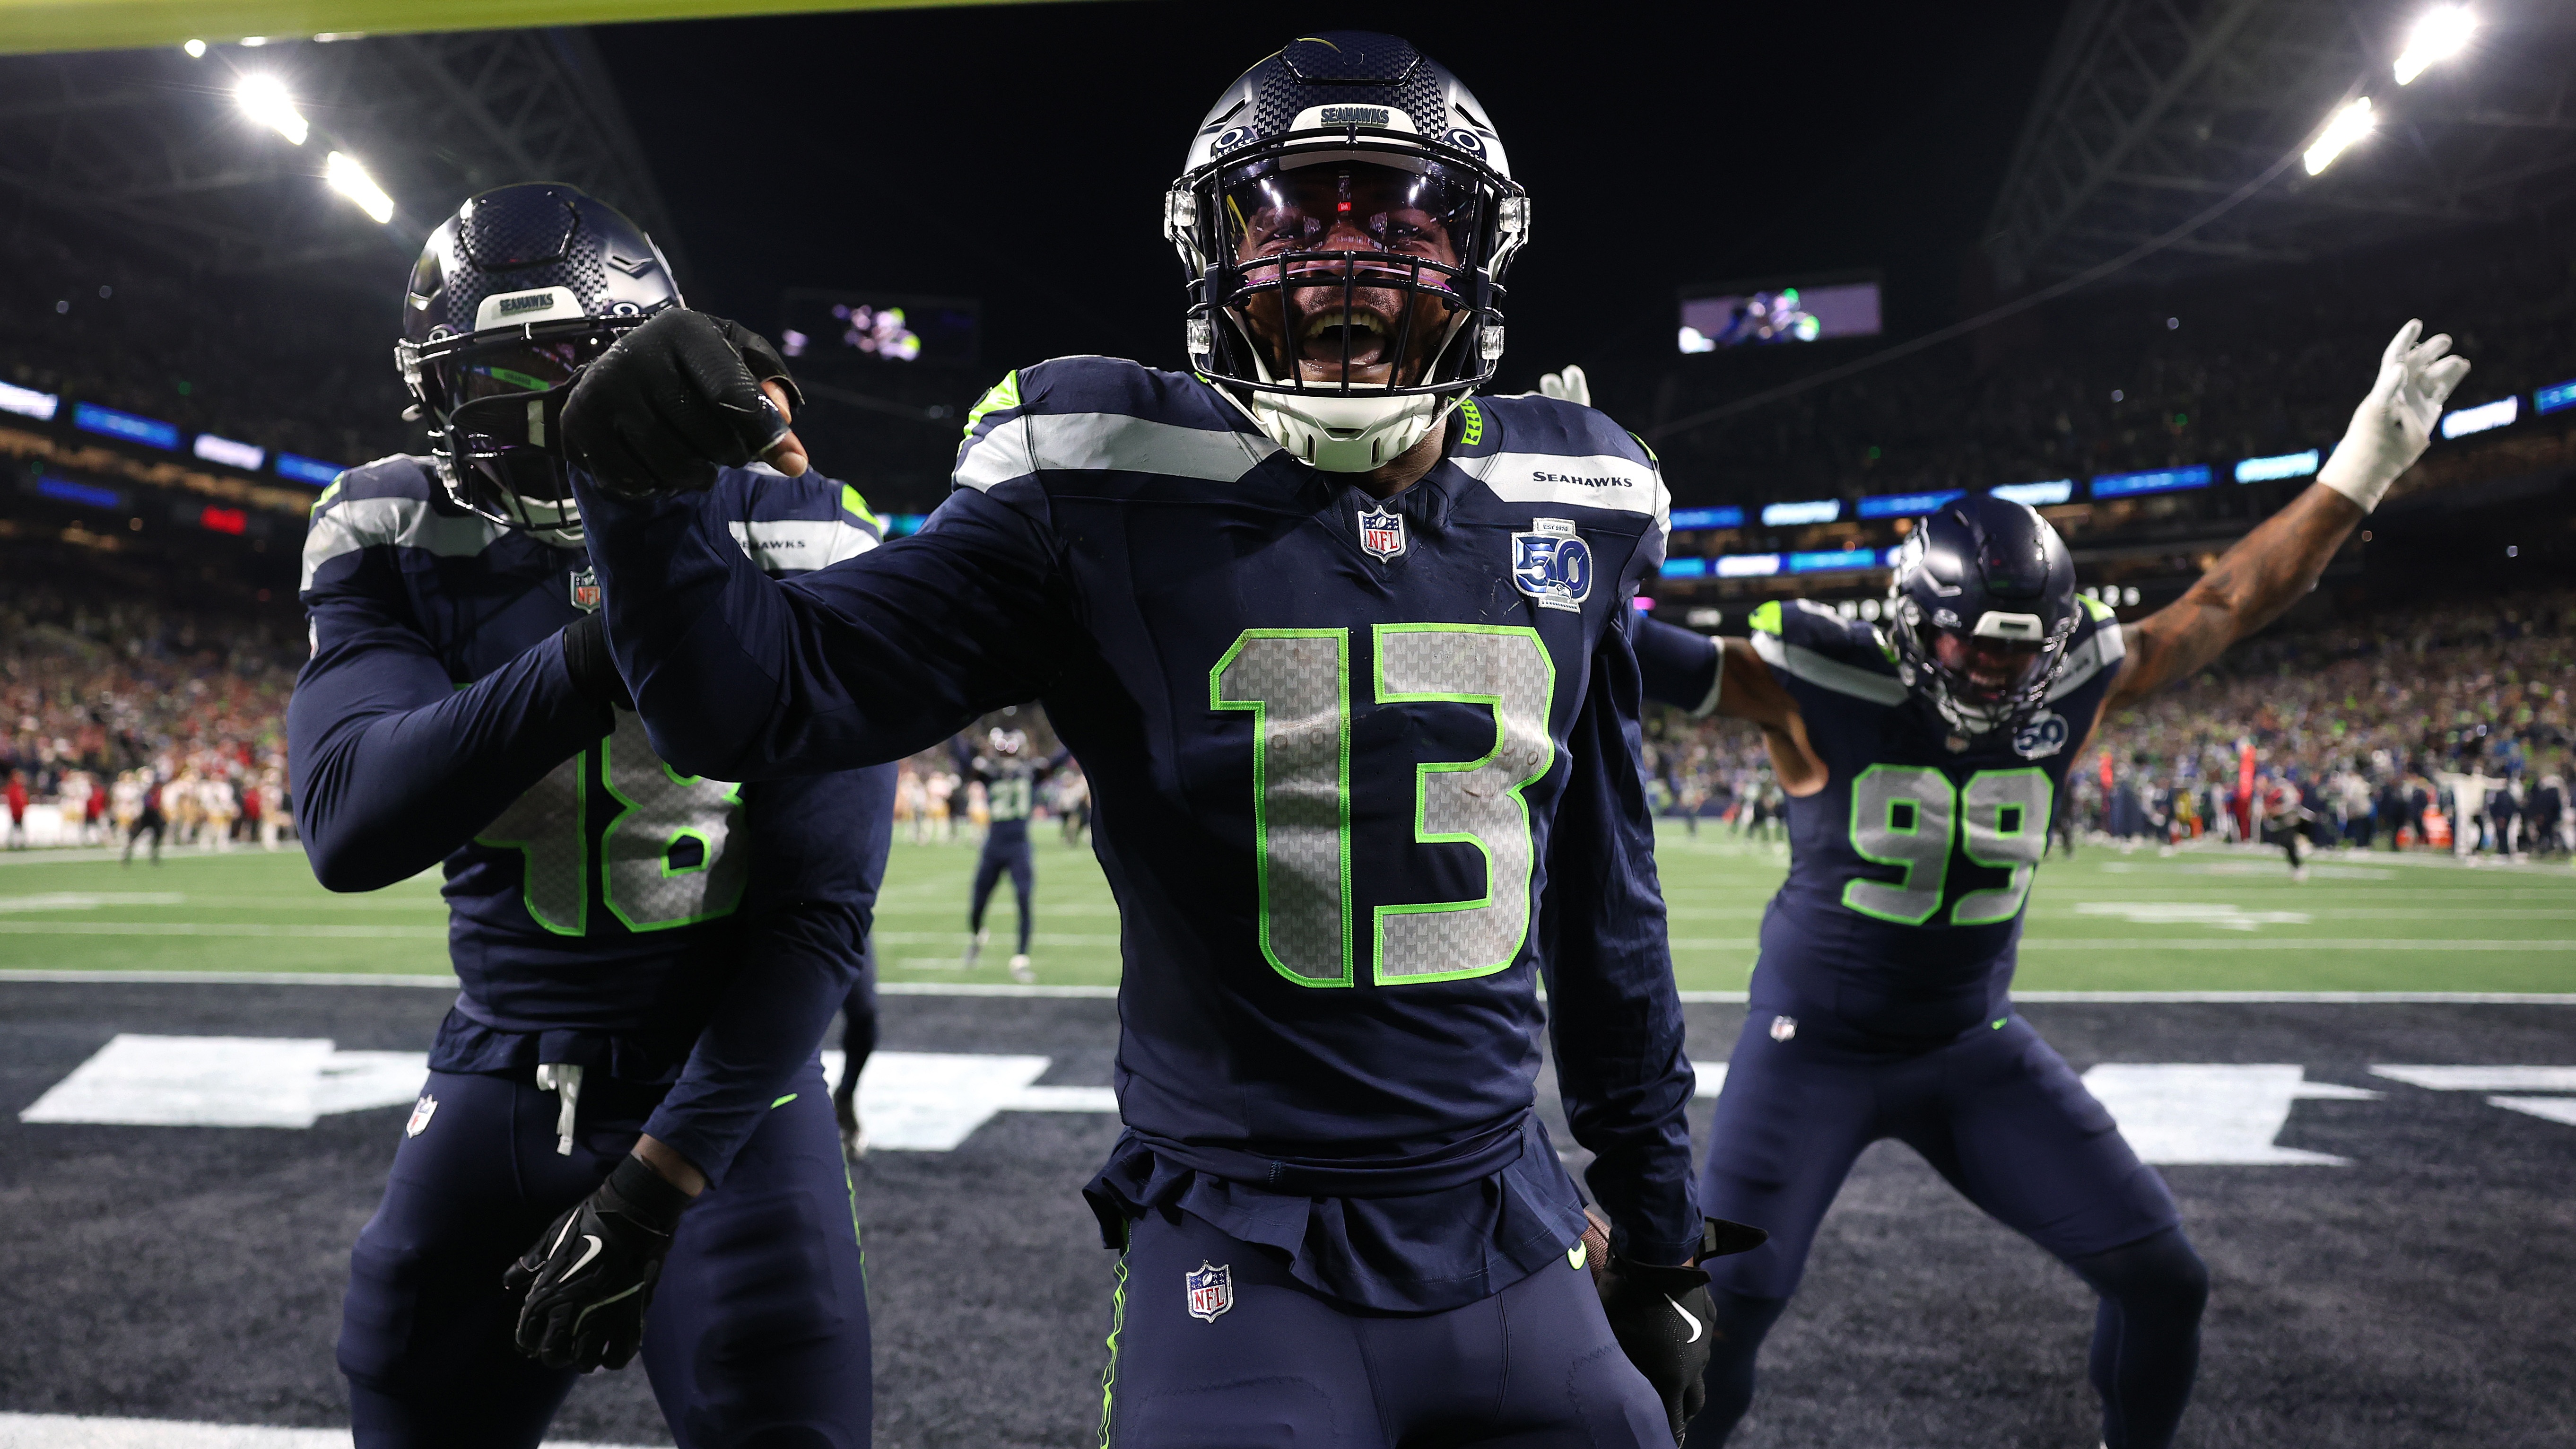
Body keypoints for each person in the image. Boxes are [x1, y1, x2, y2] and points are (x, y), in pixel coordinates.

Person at [558, 32, 1756, 1447]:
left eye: (1395, 210)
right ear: (1210, 249)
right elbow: (755, 697)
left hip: (1508, 1224)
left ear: (1476, 255)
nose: (1340, 258)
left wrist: (1665, 1235)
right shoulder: (1094, 473)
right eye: (1289, 211)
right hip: (1242, 1247)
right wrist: (638, 496)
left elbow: (1610, 916)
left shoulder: (1573, 489)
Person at [1627, 318, 2470, 1449]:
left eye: (2020, 651)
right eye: (1972, 645)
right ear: (1911, 625)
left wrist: (2357, 470)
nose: (1996, 668)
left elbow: (2226, 601)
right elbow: (1607, 647)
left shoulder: (2075, 680)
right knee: (1724, 1314)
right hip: (1812, 1050)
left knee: (2165, 1278)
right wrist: (1573, 532)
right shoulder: (1813, 680)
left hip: (1972, 1043)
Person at [288, 183, 891, 1449]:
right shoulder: (397, 523)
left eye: (566, 377)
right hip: (501, 1067)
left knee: (778, 1383)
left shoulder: (792, 525)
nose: (528, 424)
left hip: (724, 1098)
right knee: (401, 1376)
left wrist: (664, 1176)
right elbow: (348, 820)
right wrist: (617, 639)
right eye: (488, 385)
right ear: (430, 397)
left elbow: (819, 918)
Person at [956, 724, 1067, 982]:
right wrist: (952, 733)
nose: (1007, 756)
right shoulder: (989, 773)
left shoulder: (1032, 772)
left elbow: (1059, 761)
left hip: (1019, 846)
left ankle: (1020, 959)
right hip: (993, 846)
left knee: (1024, 900)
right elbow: (962, 759)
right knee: (977, 905)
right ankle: (977, 937)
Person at [121, 771, 163, 865]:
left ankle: (154, 856)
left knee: (158, 835)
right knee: (134, 836)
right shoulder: (140, 788)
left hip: (154, 814)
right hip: (144, 815)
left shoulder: (156, 789)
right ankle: (127, 855)